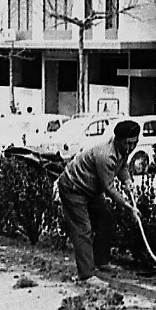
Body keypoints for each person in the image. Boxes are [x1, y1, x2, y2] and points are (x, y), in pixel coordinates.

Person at [57, 120, 141, 288]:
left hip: (91, 189)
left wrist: (128, 181)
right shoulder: (105, 155)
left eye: (135, 143)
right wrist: (129, 207)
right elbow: (109, 188)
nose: (131, 148)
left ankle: (100, 261)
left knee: (106, 219)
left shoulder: (123, 149)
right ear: (117, 140)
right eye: (128, 144)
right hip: (74, 187)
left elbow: (122, 166)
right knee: (83, 229)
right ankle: (86, 275)